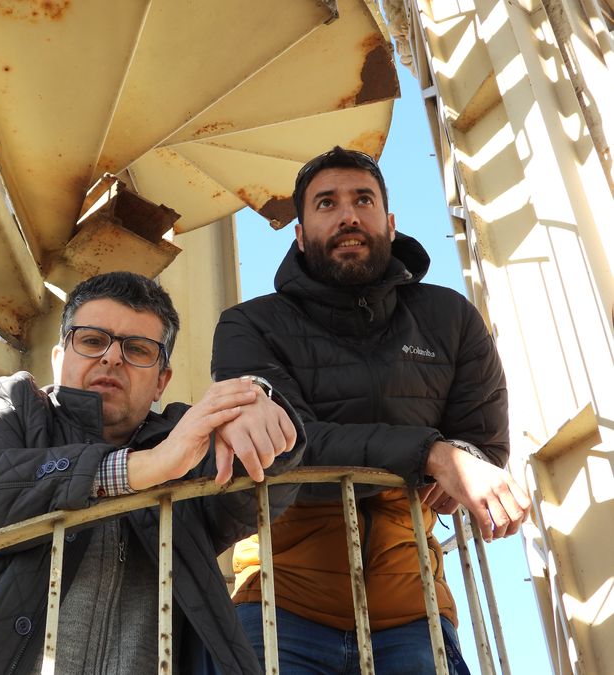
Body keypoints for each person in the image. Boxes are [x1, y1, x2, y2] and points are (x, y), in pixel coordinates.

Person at [0, 271, 304, 675]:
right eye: (93, 340)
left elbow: (257, 494)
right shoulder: (8, 403)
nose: (112, 357)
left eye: (137, 349)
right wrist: (139, 468)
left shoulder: (183, 438)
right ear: (59, 358)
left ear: (161, 380)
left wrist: (256, 402)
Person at [211, 146, 532, 674]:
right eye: (326, 203)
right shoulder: (249, 325)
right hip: (278, 602)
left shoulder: (449, 318)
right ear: (299, 234)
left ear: (389, 221)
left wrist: (459, 457)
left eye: (363, 200)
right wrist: (434, 456)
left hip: (414, 610)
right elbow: (287, 447)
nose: (348, 216)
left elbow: (483, 446)